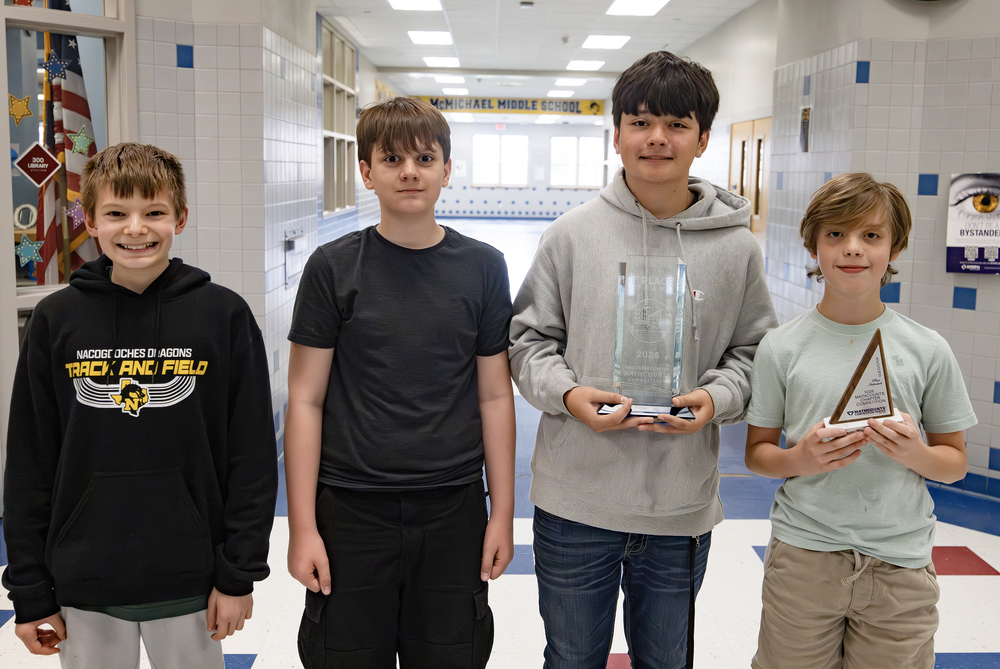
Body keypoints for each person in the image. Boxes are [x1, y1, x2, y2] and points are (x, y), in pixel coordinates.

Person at [509, 51, 778, 668]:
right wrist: (570, 396)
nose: (657, 137)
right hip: (577, 500)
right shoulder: (570, 236)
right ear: (618, 134)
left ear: (703, 139)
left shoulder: (737, 249)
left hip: (679, 506)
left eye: (677, 124)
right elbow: (528, 342)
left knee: (666, 660)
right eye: (640, 121)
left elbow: (754, 350)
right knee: (572, 658)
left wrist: (718, 399)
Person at [2, 143, 278, 668]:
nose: (136, 229)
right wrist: (31, 592)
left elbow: (252, 459)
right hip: (85, 580)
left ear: (180, 217)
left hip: (192, 580)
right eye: (116, 213)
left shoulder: (223, 316)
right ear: (89, 220)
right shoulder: (56, 322)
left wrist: (238, 573)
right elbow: (30, 463)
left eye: (153, 212)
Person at [285, 96, 516, 668]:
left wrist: (502, 514)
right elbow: (305, 400)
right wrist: (302, 528)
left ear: (446, 169)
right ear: (366, 172)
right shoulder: (334, 268)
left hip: (452, 506)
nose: (409, 171)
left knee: (449, 653)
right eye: (392, 159)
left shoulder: (483, 267)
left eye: (424, 157)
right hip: (350, 509)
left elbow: (494, 394)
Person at [744, 172, 977, 669]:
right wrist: (799, 458)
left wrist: (914, 454)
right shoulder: (780, 347)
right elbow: (759, 454)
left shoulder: (928, 349)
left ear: (894, 249)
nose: (852, 249)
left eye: (871, 235)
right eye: (835, 235)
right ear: (813, 246)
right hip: (804, 559)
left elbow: (954, 464)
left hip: (900, 565)